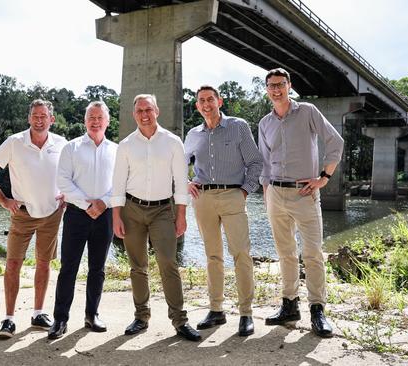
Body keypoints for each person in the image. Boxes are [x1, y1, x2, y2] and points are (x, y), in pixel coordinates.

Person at [258, 68, 343, 338]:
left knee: (313, 253)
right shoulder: (265, 123)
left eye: (281, 84)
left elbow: (335, 141)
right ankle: (289, 305)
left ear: (289, 86)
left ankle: (317, 309)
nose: (276, 89)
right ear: (267, 89)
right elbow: (264, 162)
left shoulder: (307, 111)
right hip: (276, 194)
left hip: (304, 193)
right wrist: (266, 193)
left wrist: (325, 176)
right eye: (271, 85)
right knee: (285, 253)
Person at [110, 94, 201, 342]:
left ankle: (180, 320)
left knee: (168, 264)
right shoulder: (127, 145)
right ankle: (141, 317)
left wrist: (181, 215)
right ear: (134, 114)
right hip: (132, 210)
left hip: (163, 210)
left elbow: (181, 182)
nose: (144, 114)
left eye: (148, 109)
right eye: (139, 110)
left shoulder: (172, 142)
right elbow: (117, 183)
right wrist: (116, 215)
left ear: (157, 111)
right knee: (138, 267)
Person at [0, 99, 67, 340]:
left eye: (44, 116)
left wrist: (68, 194)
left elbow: (72, 174)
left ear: (52, 119)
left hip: (52, 214)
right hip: (22, 214)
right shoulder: (15, 142)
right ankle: (8, 319)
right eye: (35, 116)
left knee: (44, 263)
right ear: (29, 119)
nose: (39, 120)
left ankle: (38, 314)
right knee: (13, 265)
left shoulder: (62, 144)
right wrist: (3, 200)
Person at [184, 85, 263, 336]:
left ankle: (246, 313)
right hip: (203, 198)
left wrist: (244, 191)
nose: (206, 104)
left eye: (210, 99)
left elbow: (255, 162)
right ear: (197, 106)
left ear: (220, 101)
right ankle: (216, 310)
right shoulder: (193, 134)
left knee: (241, 253)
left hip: (233, 195)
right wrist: (185, 182)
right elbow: (179, 163)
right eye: (201, 100)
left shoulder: (238, 126)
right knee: (212, 256)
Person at [47, 101, 117, 339]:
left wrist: (103, 202)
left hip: (104, 215)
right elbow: (63, 181)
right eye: (91, 117)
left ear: (107, 121)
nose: (95, 121)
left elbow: (121, 183)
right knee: (68, 268)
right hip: (77, 215)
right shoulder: (71, 148)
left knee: (97, 269)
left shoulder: (117, 150)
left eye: (99, 117)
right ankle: (60, 319)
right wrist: (88, 204)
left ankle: (92, 315)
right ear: (85, 120)